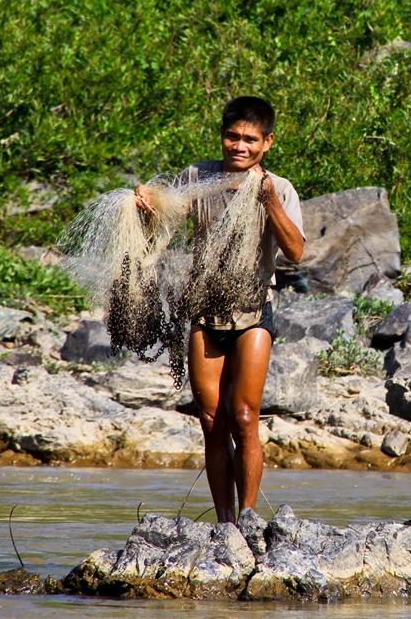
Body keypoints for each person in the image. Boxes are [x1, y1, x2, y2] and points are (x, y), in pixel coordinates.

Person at [135, 96, 305, 523]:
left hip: (253, 311)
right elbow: (164, 228)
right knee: (212, 420)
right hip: (205, 311)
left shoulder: (278, 187)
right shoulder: (197, 176)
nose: (240, 146)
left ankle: (248, 517)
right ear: (222, 136)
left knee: (244, 417)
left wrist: (270, 203)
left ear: (267, 142)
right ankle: (224, 522)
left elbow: (296, 251)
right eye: (233, 136)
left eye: (250, 139)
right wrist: (146, 208)